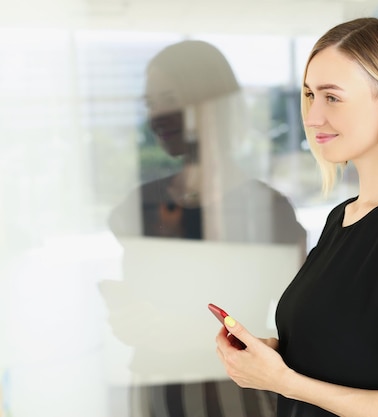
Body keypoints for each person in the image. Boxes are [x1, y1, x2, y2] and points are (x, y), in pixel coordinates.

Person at [215, 17, 378, 417]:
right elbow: (351, 350)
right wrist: (274, 357)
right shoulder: (343, 219)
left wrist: (283, 381)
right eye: (310, 95)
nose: (312, 117)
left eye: (332, 97)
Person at [103, 40, 306, 417]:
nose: (158, 115)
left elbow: (298, 330)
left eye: (169, 98)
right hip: (155, 388)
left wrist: (183, 333)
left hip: (230, 392)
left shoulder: (268, 211)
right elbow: (138, 299)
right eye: (151, 104)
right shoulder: (141, 204)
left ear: (211, 103)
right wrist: (130, 321)